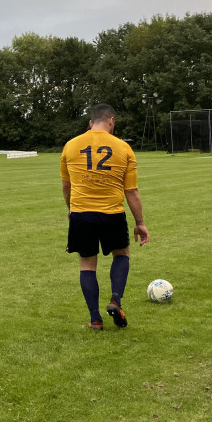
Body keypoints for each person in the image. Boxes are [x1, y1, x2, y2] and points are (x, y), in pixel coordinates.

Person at [60, 103, 150, 331]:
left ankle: (95, 319)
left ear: (90, 123)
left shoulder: (70, 146)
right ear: (111, 121)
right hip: (112, 213)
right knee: (121, 254)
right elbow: (131, 191)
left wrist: (71, 208)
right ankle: (115, 300)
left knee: (87, 264)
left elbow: (66, 185)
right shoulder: (123, 148)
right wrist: (140, 223)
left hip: (82, 214)